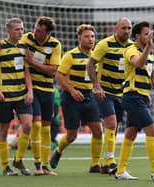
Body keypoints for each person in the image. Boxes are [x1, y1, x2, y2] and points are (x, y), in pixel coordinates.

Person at [0, 16, 61, 176]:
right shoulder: (27, 38)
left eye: (39, 31)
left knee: (46, 129)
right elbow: (8, 40)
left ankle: (44, 166)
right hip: (31, 89)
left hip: (48, 90)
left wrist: (32, 61)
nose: (35, 32)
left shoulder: (55, 45)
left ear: (48, 33)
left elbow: (53, 70)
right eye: (35, 29)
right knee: (33, 126)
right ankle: (35, 165)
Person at [114, 21, 154, 180]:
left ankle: (120, 171)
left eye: (150, 33)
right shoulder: (130, 50)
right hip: (132, 96)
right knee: (152, 130)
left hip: (140, 97)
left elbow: (153, 79)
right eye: (146, 34)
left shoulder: (150, 54)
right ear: (137, 36)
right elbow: (138, 64)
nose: (149, 36)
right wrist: (148, 47)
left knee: (131, 133)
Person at [49, 24, 103, 173]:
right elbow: (59, 75)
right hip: (71, 98)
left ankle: (94, 165)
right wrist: (72, 90)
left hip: (89, 97)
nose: (90, 39)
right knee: (72, 136)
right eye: (86, 36)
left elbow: (98, 78)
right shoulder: (70, 55)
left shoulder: (97, 58)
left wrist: (98, 89)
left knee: (98, 131)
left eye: (92, 36)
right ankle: (59, 151)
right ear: (79, 38)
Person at [0, 18, 33, 176]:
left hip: (21, 94)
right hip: (4, 96)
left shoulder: (24, 47)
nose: (20, 31)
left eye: (21, 29)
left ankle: (18, 159)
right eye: (17, 29)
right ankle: (6, 167)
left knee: (28, 126)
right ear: (8, 31)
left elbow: (27, 72)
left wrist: (30, 91)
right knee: (4, 132)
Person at [86, 17, 132, 174]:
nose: (126, 31)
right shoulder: (104, 44)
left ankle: (105, 163)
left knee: (115, 127)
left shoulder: (132, 47)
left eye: (129, 28)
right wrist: (96, 86)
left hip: (122, 93)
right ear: (116, 28)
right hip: (105, 92)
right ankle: (111, 162)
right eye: (123, 28)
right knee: (111, 124)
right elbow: (90, 64)